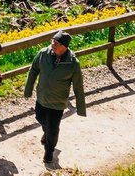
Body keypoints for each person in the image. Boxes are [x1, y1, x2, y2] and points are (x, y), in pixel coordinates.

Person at [23, 30, 87, 165]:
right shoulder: (43, 54)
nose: (53, 44)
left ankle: (49, 151)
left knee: (53, 127)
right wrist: (28, 90)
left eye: (56, 43)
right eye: (53, 41)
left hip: (58, 102)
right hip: (42, 97)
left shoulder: (73, 63)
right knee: (40, 118)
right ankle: (47, 134)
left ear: (65, 46)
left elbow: (78, 86)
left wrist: (81, 109)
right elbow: (33, 70)